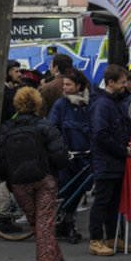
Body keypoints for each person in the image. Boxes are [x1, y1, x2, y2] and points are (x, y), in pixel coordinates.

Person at [0, 87, 69, 261]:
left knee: (38, 223)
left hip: (19, 182)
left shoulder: (7, 128)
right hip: (43, 179)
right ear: (38, 104)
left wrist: (9, 179)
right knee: (45, 222)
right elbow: (59, 156)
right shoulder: (45, 126)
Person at [88, 65, 131, 256]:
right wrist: (123, 149)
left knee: (113, 202)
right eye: (122, 82)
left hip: (113, 160)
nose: (125, 86)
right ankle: (96, 240)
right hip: (106, 161)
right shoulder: (104, 104)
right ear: (111, 82)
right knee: (102, 201)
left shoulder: (114, 103)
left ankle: (113, 238)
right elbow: (100, 134)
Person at [47, 71, 92, 243]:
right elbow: (53, 129)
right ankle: (67, 223)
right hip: (69, 156)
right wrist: (62, 149)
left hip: (86, 156)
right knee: (68, 190)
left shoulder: (89, 104)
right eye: (64, 84)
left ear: (79, 86)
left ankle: (66, 222)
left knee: (81, 189)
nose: (64, 88)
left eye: (68, 85)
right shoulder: (61, 105)